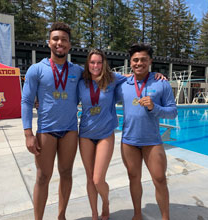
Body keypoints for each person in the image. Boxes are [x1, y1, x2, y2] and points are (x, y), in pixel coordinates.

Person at [78, 49, 166, 220]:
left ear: (104, 64)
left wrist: (155, 74)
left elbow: (135, 74)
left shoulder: (112, 79)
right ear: (87, 64)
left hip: (105, 133)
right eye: (92, 62)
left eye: (99, 62)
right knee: (89, 179)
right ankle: (95, 214)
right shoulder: (81, 82)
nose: (95, 66)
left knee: (97, 179)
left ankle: (105, 202)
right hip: (85, 133)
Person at [21, 22, 83, 220]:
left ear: (69, 45)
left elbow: (102, 77)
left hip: (70, 131)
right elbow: (27, 100)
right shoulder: (36, 69)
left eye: (64, 40)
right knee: (42, 177)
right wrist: (28, 133)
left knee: (66, 173)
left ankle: (61, 216)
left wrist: (147, 76)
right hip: (46, 130)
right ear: (49, 42)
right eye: (56, 39)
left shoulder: (78, 71)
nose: (59, 43)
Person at [115, 43, 177, 220]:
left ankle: (165, 217)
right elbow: (102, 83)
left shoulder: (161, 83)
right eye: (135, 60)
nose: (139, 63)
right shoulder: (123, 84)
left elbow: (172, 112)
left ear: (150, 61)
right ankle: (137, 215)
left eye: (143, 59)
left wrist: (154, 107)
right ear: (130, 62)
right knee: (133, 178)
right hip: (129, 141)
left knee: (159, 179)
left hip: (152, 141)